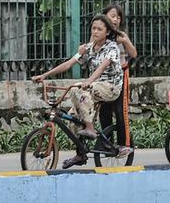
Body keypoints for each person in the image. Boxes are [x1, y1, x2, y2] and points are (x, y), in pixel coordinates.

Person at [32, 14, 123, 168]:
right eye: (93, 28)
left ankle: (90, 128)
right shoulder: (88, 48)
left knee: (79, 90)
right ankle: (80, 154)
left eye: (99, 29)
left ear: (107, 32)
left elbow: (101, 68)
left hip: (110, 86)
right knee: (73, 117)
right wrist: (45, 75)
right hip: (94, 86)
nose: (95, 32)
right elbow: (69, 64)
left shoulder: (112, 47)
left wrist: (89, 81)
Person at [97, 3, 137, 151]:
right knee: (104, 111)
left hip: (121, 76)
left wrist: (125, 41)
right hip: (105, 77)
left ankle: (124, 144)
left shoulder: (121, 35)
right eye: (113, 16)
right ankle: (107, 143)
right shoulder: (100, 33)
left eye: (118, 17)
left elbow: (133, 54)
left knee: (120, 110)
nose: (115, 20)